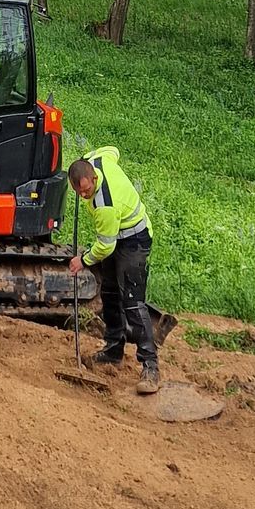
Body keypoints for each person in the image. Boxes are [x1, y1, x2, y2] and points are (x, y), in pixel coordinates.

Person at [66, 148, 160, 392]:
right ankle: (113, 350)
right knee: (109, 292)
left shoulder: (104, 204)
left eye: (87, 190)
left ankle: (150, 367)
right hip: (116, 236)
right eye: (79, 191)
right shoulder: (98, 160)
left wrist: (83, 261)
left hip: (134, 240)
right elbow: (114, 150)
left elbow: (105, 247)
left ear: (94, 178)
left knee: (132, 302)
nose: (84, 195)